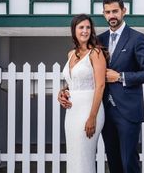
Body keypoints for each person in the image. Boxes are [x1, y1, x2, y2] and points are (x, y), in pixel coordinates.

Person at [59, 0, 144, 173]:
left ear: (123, 11)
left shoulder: (137, 38)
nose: (112, 15)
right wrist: (66, 90)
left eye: (115, 11)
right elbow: (88, 74)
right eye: (108, 12)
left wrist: (120, 77)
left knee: (129, 162)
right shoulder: (99, 40)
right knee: (113, 162)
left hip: (128, 111)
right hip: (103, 110)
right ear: (103, 14)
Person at [61, 14, 106, 173]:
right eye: (81, 27)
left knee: (84, 157)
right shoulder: (70, 54)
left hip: (89, 111)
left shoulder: (96, 53)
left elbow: (100, 85)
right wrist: (63, 91)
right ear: (74, 30)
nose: (85, 31)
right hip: (72, 112)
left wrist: (92, 117)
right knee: (74, 155)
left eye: (88, 27)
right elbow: (72, 81)